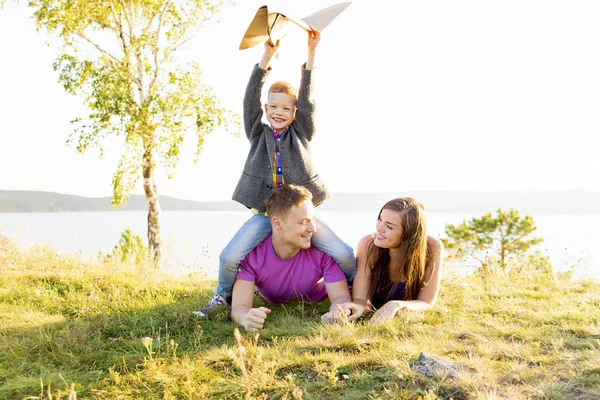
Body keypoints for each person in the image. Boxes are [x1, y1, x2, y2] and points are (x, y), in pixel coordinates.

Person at [195, 29, 355, 317]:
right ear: (266, 108)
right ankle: (223, 297)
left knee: (343, 253)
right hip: (264, 213)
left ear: (294, 113)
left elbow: (308, 100)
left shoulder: (302, 133)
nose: (278, 112)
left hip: (299, 216)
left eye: (286, 108)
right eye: (273, 107)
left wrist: (311, 54)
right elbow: (249, 101)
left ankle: (355, 295)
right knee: (229, 257)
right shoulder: (258, 133)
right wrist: (266, 58)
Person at [230, 184, 351, 331]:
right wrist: (245, 318)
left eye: (312, 219)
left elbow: (340, 298)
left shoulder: (323, 252)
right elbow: (239, 307)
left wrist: (338, 311)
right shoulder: (253, 257)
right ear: (278, 223)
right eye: (303, 222)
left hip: (318, 298)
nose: (312, 228)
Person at [342, 198, 444, 323]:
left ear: (409, 233)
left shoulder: (432, 247)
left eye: (389, 226)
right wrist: (358, 308)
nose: (379, 228)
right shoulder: (368, 245)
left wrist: (396, 305)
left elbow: (426, 301)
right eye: (380, 219)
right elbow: (361, 300)